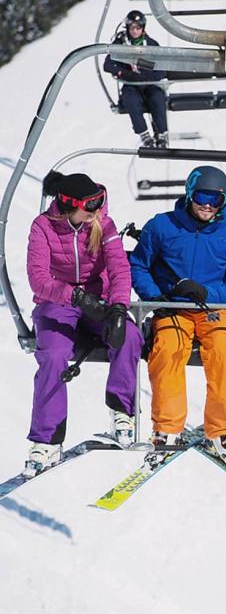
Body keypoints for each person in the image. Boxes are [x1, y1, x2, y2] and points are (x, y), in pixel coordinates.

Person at [130, 165, 226, 469]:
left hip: (213, 310)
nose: (207, 205)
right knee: (167, 349)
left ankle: (221, 431)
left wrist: (206, 292)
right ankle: (167, 428)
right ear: (189, 193)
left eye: (216, 199)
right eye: (201, 196)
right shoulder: (162, 227)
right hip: (173, 307)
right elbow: (139, 266)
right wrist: (156, 297)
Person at [25, 171, 144, 475]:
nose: (96, 211)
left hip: (100, 303)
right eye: (90, 206)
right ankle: (46, 439)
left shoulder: (103, 224)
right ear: (70, 204)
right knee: (53, 356)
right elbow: (38, 280)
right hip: (58, 304)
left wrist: (118, 307)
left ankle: (121, 411)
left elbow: (119, 268)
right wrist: (74, 297)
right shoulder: (42, 227)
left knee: (129, 337)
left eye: (99, 203)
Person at [103, 9, 169, 148]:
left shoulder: (151, 44)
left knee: (157, 98)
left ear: (143, 28)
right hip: (131, 83)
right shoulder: (120, 44)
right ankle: (144, 133)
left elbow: (161, 69)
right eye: (132, 28)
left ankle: (162, 133)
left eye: (138, 28)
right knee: (130, 99)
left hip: (149, 83)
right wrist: (125, 73)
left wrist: (143, 71)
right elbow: (108, 65)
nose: (135, 31)